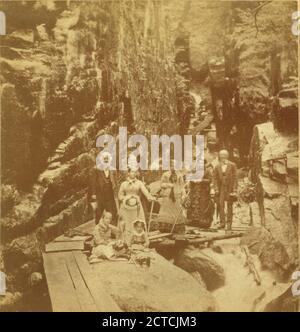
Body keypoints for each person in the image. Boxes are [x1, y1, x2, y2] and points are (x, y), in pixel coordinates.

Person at [118, 168, 154, 244]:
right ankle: (126, 241)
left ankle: (138, 240)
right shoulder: (123, 184)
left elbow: (145, 192)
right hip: (126, 207)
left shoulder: (139, 183)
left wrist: (150, 197)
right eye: (132, 172)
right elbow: (120, 196)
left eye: (135, 172)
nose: (133, 173)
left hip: (136, 206)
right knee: (126, 223)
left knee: (137, 222)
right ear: (128, 173)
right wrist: (127, 198)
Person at [88, 152, 118, 225]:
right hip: (99, 195)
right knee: (98, 214)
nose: (106, 160)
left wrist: (116, 193)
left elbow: (115, 182)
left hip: (110, 195)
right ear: (101, 160)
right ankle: (97, 231)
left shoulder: (112, 169)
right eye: (104, 159)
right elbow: (93, 182)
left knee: (113, 212)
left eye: (107, 159)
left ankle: (113, 232)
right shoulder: (96, 169)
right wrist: (93, 194)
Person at [212, 149, 238, 230]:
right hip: (221, 188)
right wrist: (216, 189)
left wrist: (234, 189)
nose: (223, 157)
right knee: (220, 205)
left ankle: (229, 223)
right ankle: (222, 223)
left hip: (230, 188)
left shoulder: (232, 165)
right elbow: (215, 178)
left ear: (227, 156)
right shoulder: (217, 166)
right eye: (221, 155)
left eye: (224, 155)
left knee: (229, 206)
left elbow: (235, 178)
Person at [158, 160, 186, 233]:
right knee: (166, 211)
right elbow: (161, 184)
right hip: (167, 195)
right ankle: (165, 228)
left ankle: (177, 228)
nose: (173, 167)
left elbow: (182, 186)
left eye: (174, 165)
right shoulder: (165, 174)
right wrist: (168, 185)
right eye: (171, 165)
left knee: (177, 210)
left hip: (177, 195)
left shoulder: (179, 175)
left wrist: (184, 195)